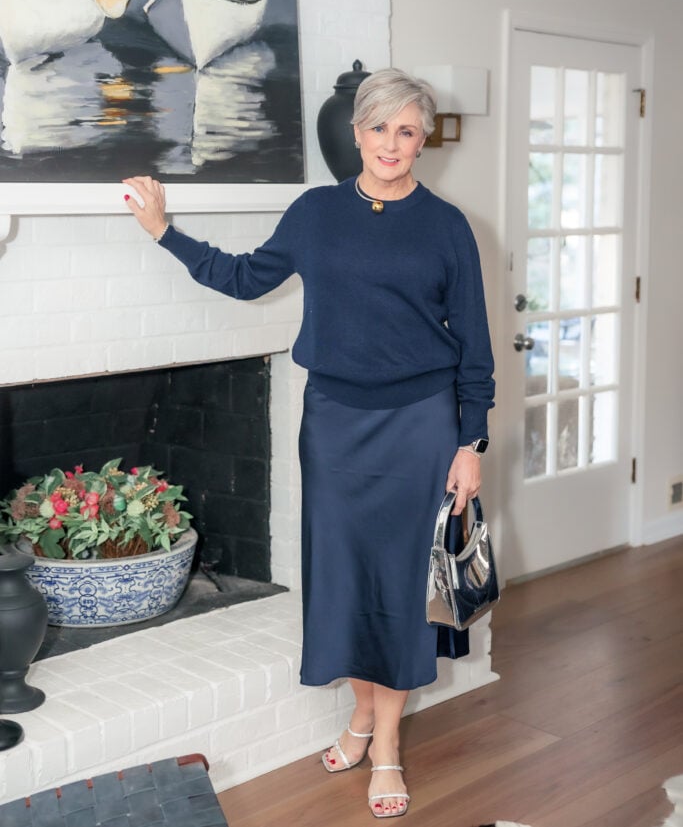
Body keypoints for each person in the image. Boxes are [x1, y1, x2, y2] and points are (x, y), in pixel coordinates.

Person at [123, 67, 495, 820]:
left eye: (406, 130)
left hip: (419, 424)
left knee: (396, 585)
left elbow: (476, 350)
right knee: (345, 579)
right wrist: (164, 231)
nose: (391, 143)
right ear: (354, 134)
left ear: (421, 141)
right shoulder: (316, 213)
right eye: (378, 127)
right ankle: (360, 713)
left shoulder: (447, 225)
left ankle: (383, 742)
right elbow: (241, 277)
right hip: (332, 422)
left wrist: (470, 442)